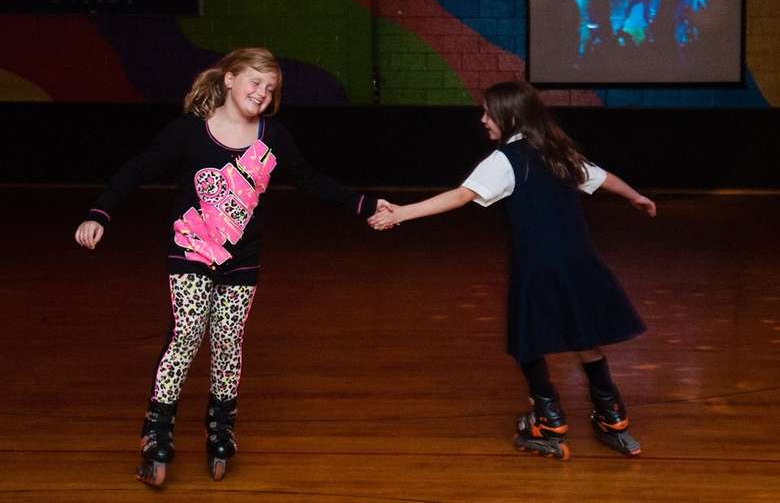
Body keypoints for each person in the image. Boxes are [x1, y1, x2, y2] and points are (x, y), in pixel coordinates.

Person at [74, 47, 387, 485]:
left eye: (270, 89)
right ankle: (156, 429)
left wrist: (365, 203)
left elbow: (310, 179)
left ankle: (221, 425)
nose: (262, 93)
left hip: (242, 259)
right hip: (190, 252)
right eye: (255, 82)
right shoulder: (189, 132)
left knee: (228, 342)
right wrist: (99, 213)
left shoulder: (272, 138)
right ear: (229, 79)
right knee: (185, 335)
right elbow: (137, 168)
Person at [369, 81, 655, 460]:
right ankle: (611, 413)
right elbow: (603, 178)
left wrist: (401, 213)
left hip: (537, 265)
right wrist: (636, 196)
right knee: (582, 335)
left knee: (527, 339)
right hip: (578, 260)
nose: (483, 120)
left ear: (511, 116)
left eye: (488, 112)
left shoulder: (506, 159)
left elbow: (460, 196)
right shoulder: (557, 152)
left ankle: (549, 418)